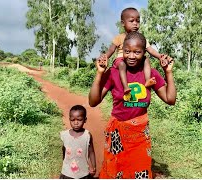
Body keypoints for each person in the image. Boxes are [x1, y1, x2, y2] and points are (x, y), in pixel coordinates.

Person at [89, 32, 176, 179]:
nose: (131, 56)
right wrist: (99, 73)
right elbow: (93, 101)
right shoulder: (113, 73)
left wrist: (168, 73)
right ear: (123, 50)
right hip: (117, 133)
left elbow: (170, 99)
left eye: (137, 52)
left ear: (144, 52)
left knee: (139, 172)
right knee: (115, 170)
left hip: (140, 135)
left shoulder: (151, 74)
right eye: (128, 51)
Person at [97, 7, 169, 101]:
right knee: (122, 64)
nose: (135, 24)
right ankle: (126, 86)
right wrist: (104, 57)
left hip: (135, 62)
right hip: (120, 60)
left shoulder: (141, 39)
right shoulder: (119, 37)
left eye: (137, 21)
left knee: (146, 59)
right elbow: (111, 50)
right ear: (123, 23)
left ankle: (147, 80)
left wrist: (160, 56)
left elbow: (150, 50)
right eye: (131, 21)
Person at [59, 105, 96, 179]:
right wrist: (64, 162)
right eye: (73, 120)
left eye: (79, 120)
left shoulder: (87, 135)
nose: (76, 123)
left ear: (85, 120)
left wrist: (94, 166)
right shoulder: (64, 135)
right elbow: (64, 150)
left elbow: (91, 151)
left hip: (82, 172)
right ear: (69, 119)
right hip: (67, 172)